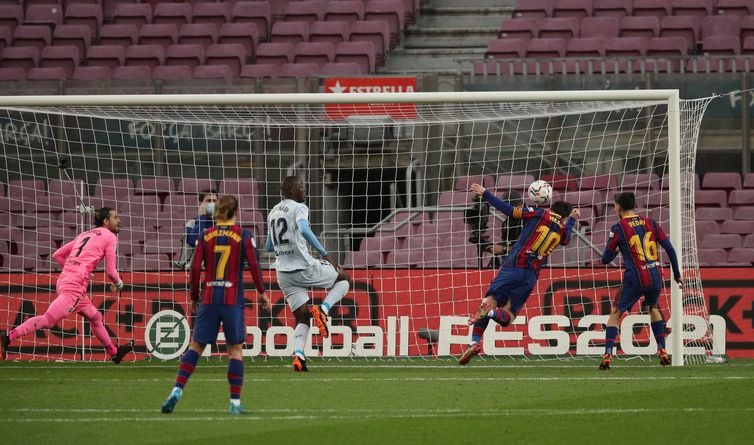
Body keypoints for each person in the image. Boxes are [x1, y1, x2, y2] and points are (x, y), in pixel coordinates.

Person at [161, 195, 268, 415]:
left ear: (216, 212)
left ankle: (176, 390)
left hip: (209, 298)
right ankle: (235, 403)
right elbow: (255, 265)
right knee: (235, 351)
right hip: (231, 300)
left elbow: (195, 269)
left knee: (196, 347)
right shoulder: (243, 235)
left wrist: (193, 296)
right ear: (235, 213)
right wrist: (262, 292)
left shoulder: (205, 235)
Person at [458, 183, 580, 365]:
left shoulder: (539, 214)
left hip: (513, 266)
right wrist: (572, 220)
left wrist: (486, 194)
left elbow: (508, 210)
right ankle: (489, 318)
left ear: (550, 207)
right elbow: (567, 239)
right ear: (563, 217)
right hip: (530, 276)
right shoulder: (562, 231)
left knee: (487, 303)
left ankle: (475, 340)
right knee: (508, 317)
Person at [0, 207, 133, 363]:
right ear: (105, 221)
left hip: (65, 280)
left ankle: (114, 353)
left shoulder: (85, 234)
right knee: (48, 320)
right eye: (115, 217)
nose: (119, 221)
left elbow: (58, 255)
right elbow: (111, 271)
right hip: (75, 285)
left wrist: (75, 268)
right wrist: (119, 283)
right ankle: (7, 337)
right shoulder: (110, 237)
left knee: (95, 317)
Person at [266, 176, 351, 372]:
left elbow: (269, 245)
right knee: (344, 279)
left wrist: (284, 246)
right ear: (293, 190)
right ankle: (324, 309)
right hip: (304, 267)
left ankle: (299, 355)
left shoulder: (273, 211)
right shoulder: (299, 208)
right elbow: (304, 229)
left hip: (284, 274)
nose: (305, 190)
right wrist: (325, 254)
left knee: (302, 317)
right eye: (302, 187)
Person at [598, 192, 683, 370]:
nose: (614, 208)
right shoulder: (651, 223)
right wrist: (676, 274)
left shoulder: (618, 228)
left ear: (619, 207)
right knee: (652, 307)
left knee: (616, 313)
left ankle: (608, 353)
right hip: (655, 275)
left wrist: (616, 248)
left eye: (614, 205)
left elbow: (605, 259)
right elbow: (670, 249)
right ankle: (662, 349)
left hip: (635, 278)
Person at [173, 189, 218, 270]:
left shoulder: (222, 225)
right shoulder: (192, 223)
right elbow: (193, 242)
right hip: (192, 268)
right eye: (208, 201)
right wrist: (202, 218)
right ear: (201, 204)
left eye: (214, 201)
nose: (212, 204)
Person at [485, 189, 526, 269]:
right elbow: (508, 242)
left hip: (526, 266)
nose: (508, 211)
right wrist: (490, 246)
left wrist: (503, 249)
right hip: (511, 264)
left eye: (511, 208)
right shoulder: (508, 222)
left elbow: (527, 248)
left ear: (520, 204)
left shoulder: (529, 221)